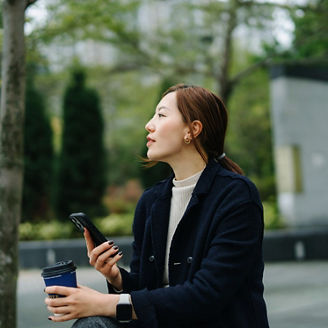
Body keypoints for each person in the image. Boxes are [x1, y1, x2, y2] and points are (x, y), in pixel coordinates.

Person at [45, 84, 269, 328]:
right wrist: (116, 277)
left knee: (95, 321)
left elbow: (207, 294)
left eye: (161, 115)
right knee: (92, 325)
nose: (149, 125)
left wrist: (103, 303)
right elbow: (148, 289)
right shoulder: (152, 201)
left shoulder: (236, 195)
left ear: (192, 129)